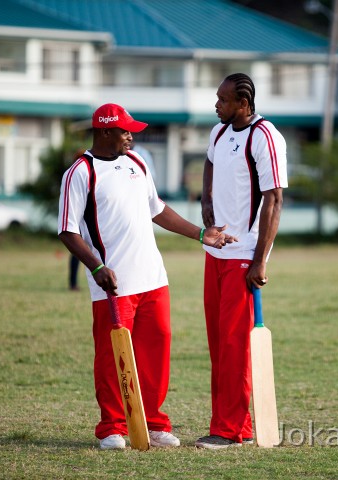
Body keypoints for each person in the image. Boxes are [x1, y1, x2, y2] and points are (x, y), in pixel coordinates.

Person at [58, 103, 236, 450]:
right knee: (112, 358)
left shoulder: (137, 163)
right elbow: (67, 231)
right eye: (125, 131)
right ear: (105, 131)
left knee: (157, 352)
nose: (131, 136)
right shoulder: (80, 172)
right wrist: (96, 268)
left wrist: (202, 234)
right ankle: (112, 427)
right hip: (113, 283)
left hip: (153, 279)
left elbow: (159, 211)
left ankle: (154, 422)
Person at [195, 73, 288, 449]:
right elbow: (209, 164)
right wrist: (206, 205)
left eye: (222, 99)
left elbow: (275, 199)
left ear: (243, 103)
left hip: (243, 257)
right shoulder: (218, 134)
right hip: (215, 252)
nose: (216, 104)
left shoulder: (265, 136)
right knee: (219, 345)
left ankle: (231, 430)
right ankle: (233, 425)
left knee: (235, 346)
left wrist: (260, 259)